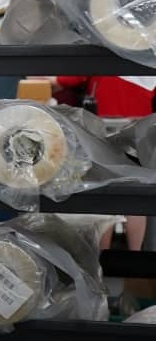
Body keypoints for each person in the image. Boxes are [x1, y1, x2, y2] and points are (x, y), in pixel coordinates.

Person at [51, 75, 154, 251]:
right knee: (137, 191)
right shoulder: (146, 53)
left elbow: (70, 79)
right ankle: (136, 255)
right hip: (141, 126)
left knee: (104, 192)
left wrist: (49, 80)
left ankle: (103, 258)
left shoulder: (105, 49)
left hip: (104, 125)